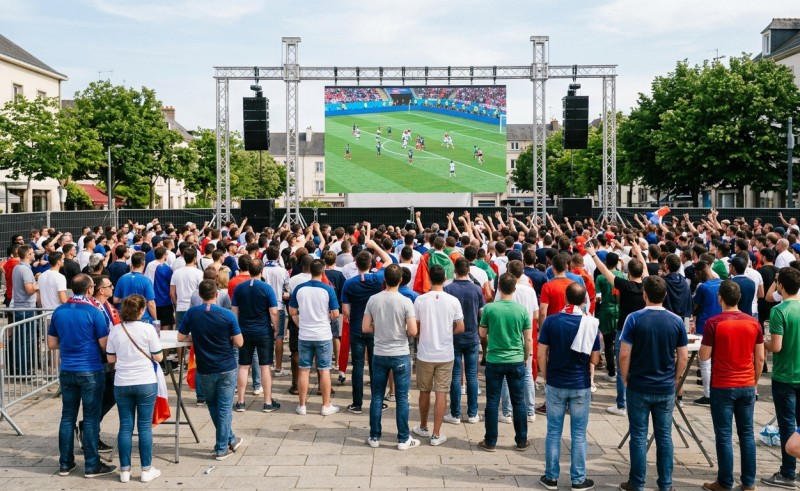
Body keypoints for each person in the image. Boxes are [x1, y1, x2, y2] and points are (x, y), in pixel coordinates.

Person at [618, 276, 688, 491]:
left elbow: (624, 354)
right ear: (665, 295)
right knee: (664, 436)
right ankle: (665, 484)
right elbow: (683, 356)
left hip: (639, 384)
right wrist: (676, 379)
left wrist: (624, 376)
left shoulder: (634, 318)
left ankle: (637, 483)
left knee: (638, 436)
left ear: (644, 294)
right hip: (665, 385)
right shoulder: (676, 321)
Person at [47, 274, 116, 478]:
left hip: (67, 369)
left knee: (67, 417)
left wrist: (70, 344)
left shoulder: (59, 311)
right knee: (91, 417)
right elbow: (104, 345)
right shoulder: (93, 312)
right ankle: (92, 465)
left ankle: (65, 463)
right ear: (89, 290)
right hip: (90, 369)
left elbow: (51, 344)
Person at [699, 280, 763, 491]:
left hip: (723, 383)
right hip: (746, 382)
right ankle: (749, 482)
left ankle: (725, 482)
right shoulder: (754, 323)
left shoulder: (713, 323)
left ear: (720, 298)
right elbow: (760, 358)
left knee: (724, 435)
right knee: (746, 434)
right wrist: (753, 382)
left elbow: (704, 355)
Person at [538, 282, 600, 491]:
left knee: (553, 431)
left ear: (565, 298)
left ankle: (551, 477)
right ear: (584, 300)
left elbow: (541, 353)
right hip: (580, 382)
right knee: (579, 434)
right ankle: (578, 479)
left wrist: (546, 376)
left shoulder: (552, 321)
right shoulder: (590, 323)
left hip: (556, 381)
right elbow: (595, 360)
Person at [178, 280, 244, 460]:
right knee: (223, 407)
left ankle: (229, 438)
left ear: (200, 295)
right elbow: (239, 342)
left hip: (205, 367)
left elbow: (181, 336)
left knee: (214, 405)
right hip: (226, 366)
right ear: (217, 294)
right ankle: (222, 447)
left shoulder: (192, 313)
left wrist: (197, 337)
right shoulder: (227, 315)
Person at [105, 295, 164, 483]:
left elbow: (111, 359)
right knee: (144, 426)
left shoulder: (116, 330)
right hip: (145, 380)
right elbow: (159, 357)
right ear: (141, 311)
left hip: (122, 381)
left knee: (125, 426)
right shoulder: (148, 329)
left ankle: (125, 470)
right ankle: (146, 469)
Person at [362, 264, 419, 449]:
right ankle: (403, 438)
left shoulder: (373, 299)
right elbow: (413, 330)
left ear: (384, 279)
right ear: (401, 280)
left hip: (379, 352)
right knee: (402, 398)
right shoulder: (405, 301)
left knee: (377, 396)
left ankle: (374, 436)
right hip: (400, 352)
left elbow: (365, 327)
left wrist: (380, 326)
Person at [587, 240, 646, 418]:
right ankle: (636, 401)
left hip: (625, 331)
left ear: (628, 273)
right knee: (638, 366)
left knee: (623, 369)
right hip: (641, 332)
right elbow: (644, 268)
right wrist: (638, 251)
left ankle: (622, 404)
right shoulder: (646, 285)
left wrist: (593, 254)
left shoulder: (625, 285)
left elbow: (605, 272)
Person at [478, 273, 532, 452]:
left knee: (492, 401)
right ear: (514, 288)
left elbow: (483, 334)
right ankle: (522, 440)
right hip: (516, 358)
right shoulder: (522, 310)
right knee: (518, 402)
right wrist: (525, 357)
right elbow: (528, 339)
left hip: (495, 359)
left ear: (498, 287)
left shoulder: (490, 309)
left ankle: (490, 440)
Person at [412, 265, 465, 446]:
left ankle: (423, 426)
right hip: (445, 352)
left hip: (425, 352)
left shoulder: (420, 300)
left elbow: (416, 328)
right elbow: (460, 327)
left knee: (424, 391)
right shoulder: (453, 300)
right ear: (444, 279)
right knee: (441, 392)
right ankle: (436, 433)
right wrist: (446, 332)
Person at [340, 238, 391, 414]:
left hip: (356, 327)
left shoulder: (349, 283)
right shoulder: (377, 279)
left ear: (356, 263)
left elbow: (345, 309)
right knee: (376, 366)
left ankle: (357, 403)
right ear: (370, 263)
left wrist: (352, 318)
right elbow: (389, 260)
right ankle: (378, 401)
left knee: (358, 366)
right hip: (375, 328)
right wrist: (375, 246)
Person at [763, 267, 800, 489]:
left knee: (787, 425)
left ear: (781, 286)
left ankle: (788, 472)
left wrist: (763, 343)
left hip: (785, 376)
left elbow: (775, 346)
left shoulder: (779, 311)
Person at [288, 259, 340, 416]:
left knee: (304, 370)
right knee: (324, 370)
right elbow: (335, 313)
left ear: (309, 270)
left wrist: (300, 323)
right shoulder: (328, 289)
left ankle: (302, 405)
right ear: (323, 271)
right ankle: (326, 405)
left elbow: (292, 311)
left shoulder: (299, 288)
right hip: (322, 334)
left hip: (305, 334)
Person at [231, 259, 281, 413]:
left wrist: (236, 329)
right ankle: (267, 402)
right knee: (265, 366)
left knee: (243, 366)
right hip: (263, 330)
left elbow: (234, 311)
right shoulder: (266, 288)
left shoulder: (239, 288)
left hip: (244, 330)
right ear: (261, 271)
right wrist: (276, 328)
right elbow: (274, 311)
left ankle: (240, 401)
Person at [443, 258, 485, 425]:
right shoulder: (477, 289)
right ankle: (473, 413)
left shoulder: (448, 289)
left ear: (455, 270)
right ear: (468, 271)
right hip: (472, 336)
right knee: (472, 375)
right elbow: (482, 313)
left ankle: (455, 413)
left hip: (453, 336)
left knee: (455, 375)